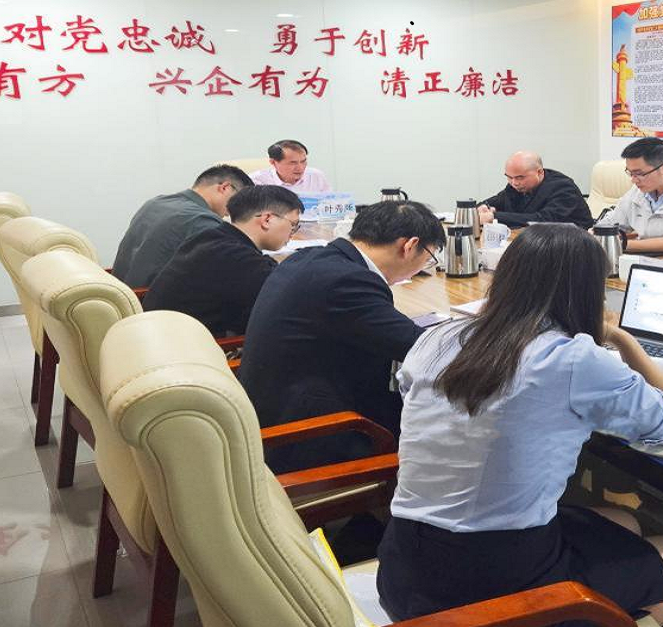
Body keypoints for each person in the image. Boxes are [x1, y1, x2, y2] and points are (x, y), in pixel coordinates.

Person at [377, 225, 663, 627]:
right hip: (494, 585)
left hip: (404, 565)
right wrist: (623, 340)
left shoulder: (437, 337)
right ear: (588, 291)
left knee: (624, 521)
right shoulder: (572, 358)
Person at [239, 199, 445, 473]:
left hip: (279, 409)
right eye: (429, 258)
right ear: (409, 246)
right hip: (313, 435)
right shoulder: (347, 281)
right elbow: (419, 348)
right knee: (443, 424)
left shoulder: (314, 258)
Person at [142, 185, 303, 337]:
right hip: (188, 347)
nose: (293, 232)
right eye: (293, 225)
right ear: (267, 219)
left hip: (154, 335)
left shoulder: (210, 236)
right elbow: (278, 309)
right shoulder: (243, 261)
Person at [111, 164, 251, 289]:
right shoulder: (204, 221)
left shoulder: (155, 202)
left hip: (121, 294)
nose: (233, 212)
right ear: (225, 188)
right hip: (151, 302)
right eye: (239, 201)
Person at [477, 151, 593, 229]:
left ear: (539, 172)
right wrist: (482, 208)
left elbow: (542, 220)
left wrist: (494, 217)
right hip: (536, 240)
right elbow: (497, 200)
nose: (514, 183)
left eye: (520, 177)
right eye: (509, 177)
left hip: (574, 244)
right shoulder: (515, 185)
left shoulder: (563, 187)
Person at [248, 138, 331, 195]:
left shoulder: (316, 176)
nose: (300, 168)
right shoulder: (257, 181)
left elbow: (330, 204)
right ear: (273, 162)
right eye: (293, 163)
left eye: (303, 161)